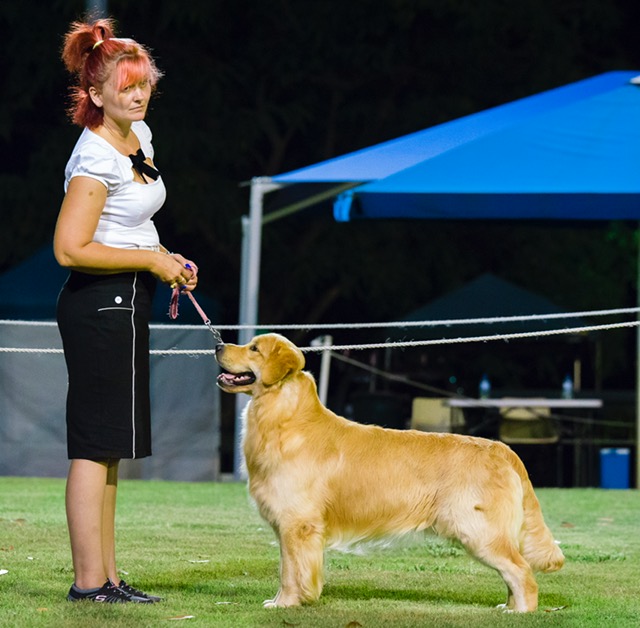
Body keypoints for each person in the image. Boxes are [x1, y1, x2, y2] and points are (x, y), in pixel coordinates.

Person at [54, 17, 198, 603]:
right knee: (94, 445)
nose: (138, 95)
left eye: (144, 84)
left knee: (112, 445)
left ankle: (109, 577)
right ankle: (89, 583)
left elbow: (133, 224)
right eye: (126, 87)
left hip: (128, 298)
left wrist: (166, 257)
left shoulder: (138, 136)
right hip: (97, 306)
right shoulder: (94, 160)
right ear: (95, 95)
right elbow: (71, 249)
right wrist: (150, 263)